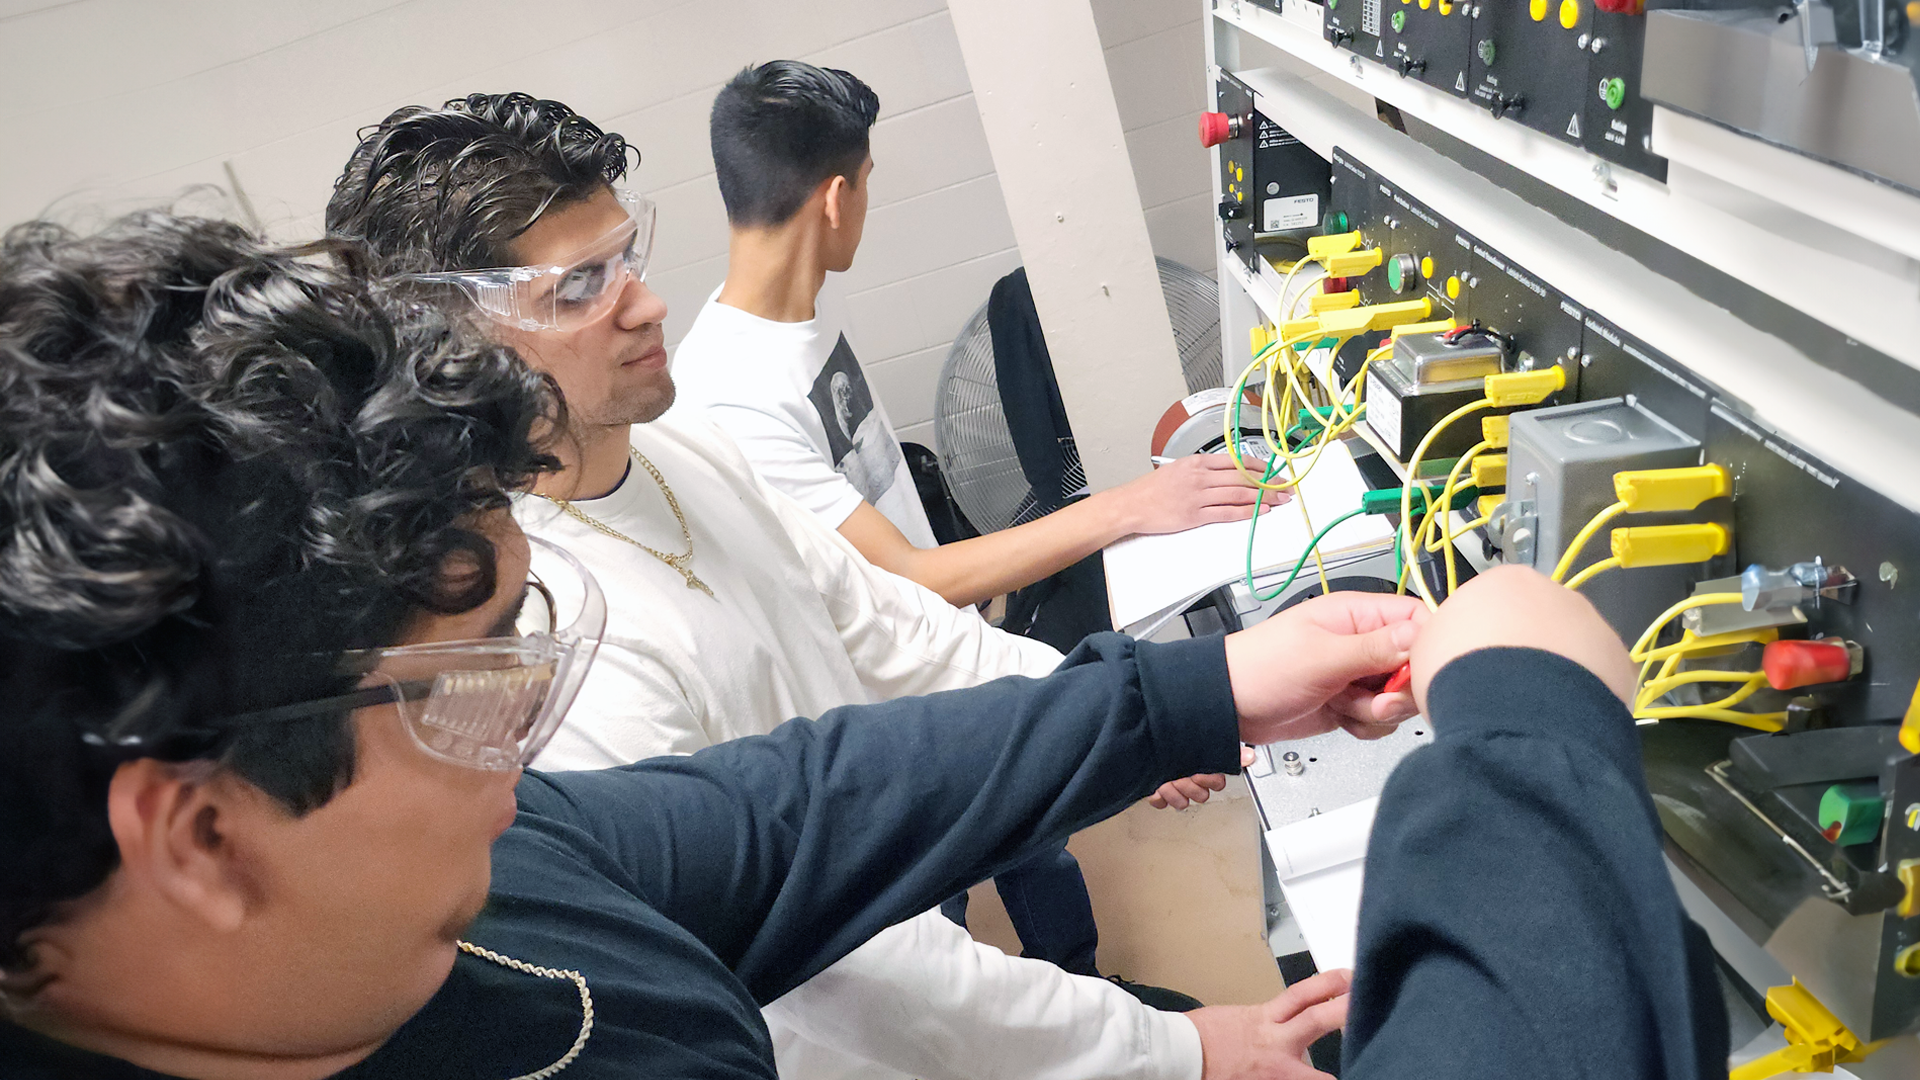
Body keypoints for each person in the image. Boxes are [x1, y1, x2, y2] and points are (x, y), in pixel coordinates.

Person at [0, 207, 1441, 1079]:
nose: (526, 761)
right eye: (472, 695)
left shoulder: (479, 877)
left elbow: (789, 808)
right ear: (198, 836)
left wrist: (1201, 695)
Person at [322, 91, 1221, 1080]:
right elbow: (837, 965)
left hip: (917, 951)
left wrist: (1103, 715)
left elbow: (888, 624)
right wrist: (1166, 1048)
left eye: (628, 257)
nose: (646, 301)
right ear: (453, 349)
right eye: (580, 287)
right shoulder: (540, 631)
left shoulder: (683, 440)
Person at [670, 61, 1270, 615]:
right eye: (866, 181)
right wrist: (1135, 504)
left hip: (944, 626)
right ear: (834, 200)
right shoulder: (730, 402)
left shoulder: (808, 292)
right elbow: (908, 577)